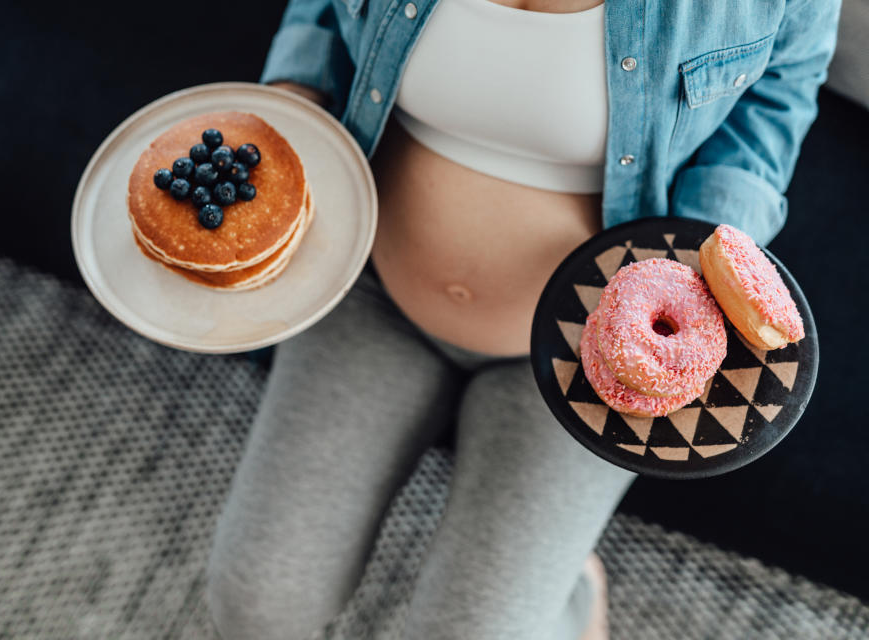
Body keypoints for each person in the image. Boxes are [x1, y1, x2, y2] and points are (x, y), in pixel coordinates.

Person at [206, 1, 841, 638]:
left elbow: (780, 86)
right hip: (370, 286)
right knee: (257, 606)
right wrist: (294, 98)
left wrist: (710, 255)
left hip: (593, 364)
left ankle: (572, 590)